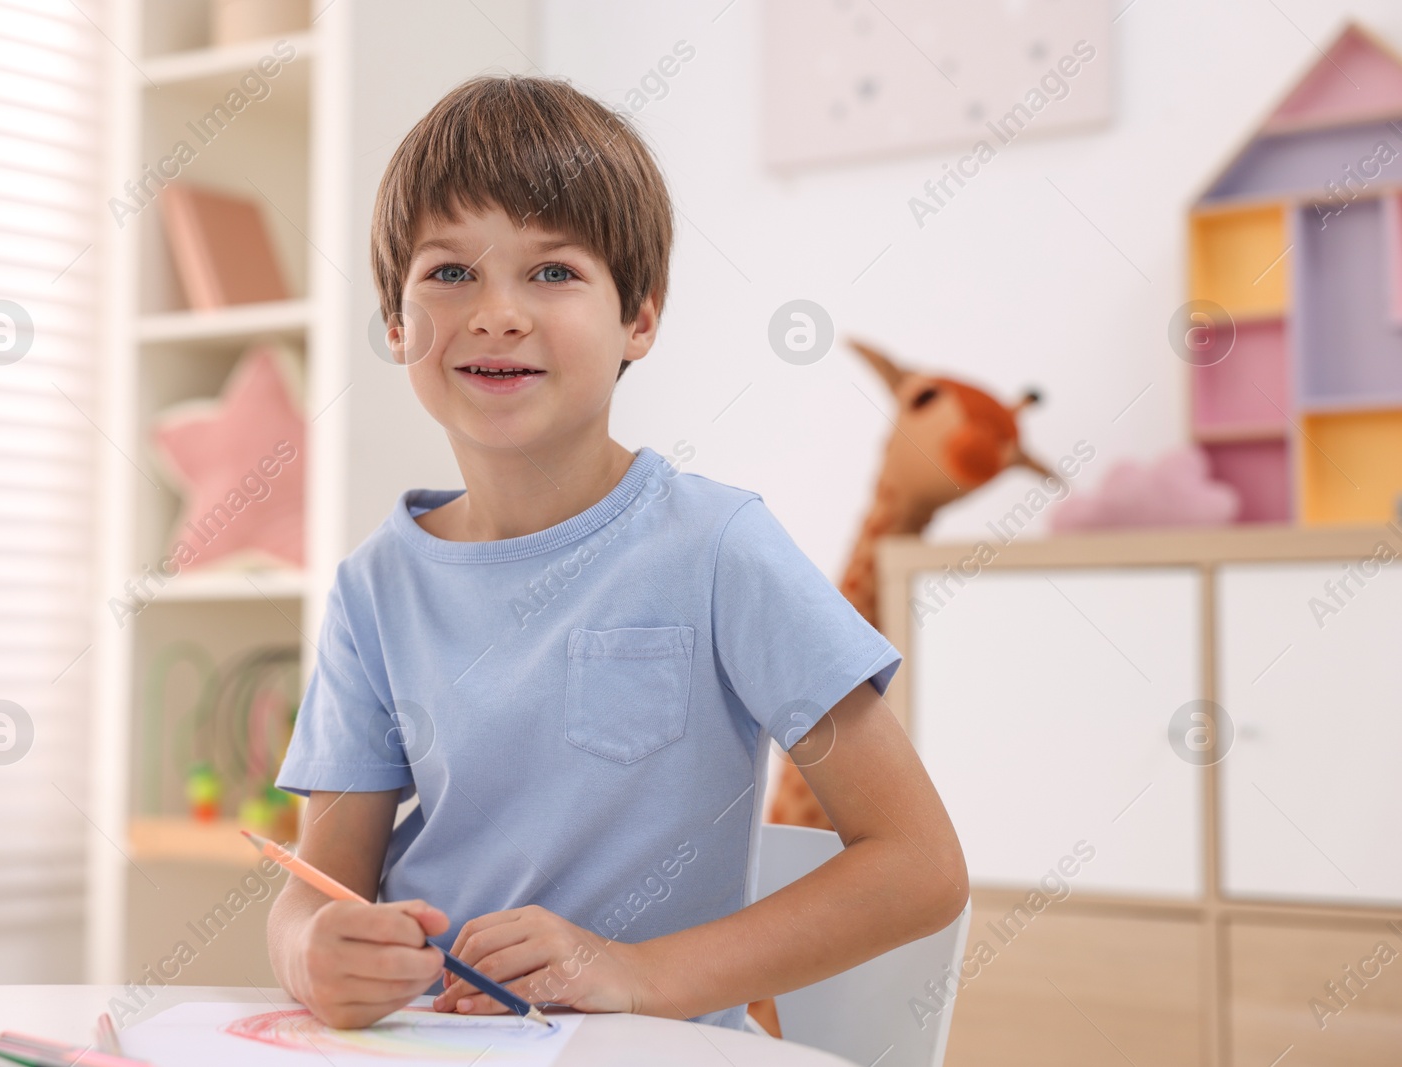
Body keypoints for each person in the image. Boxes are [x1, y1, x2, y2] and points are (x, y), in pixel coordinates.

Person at [267, 73, 967, 1034]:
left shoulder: (720, 548)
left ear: (640, 314)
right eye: (449, 272)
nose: (495, 312)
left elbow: (920, 865)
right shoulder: (371, 590)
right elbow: (316, 887)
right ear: (396, 323)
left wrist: (636, 971)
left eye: (552, 272)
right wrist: (311, 951)